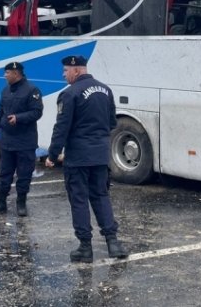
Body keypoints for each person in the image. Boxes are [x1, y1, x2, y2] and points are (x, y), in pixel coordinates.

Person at [45, 55, 128, 262]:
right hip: (100, 156)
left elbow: (61, 127)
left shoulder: (70, 94)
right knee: (101, 196)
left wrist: (53, 155)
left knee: (79, 200)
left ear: (76, 70)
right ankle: (113, 243)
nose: (64, 75)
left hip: (78, 157)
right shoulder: (105, 90)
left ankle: (85, 247)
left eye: (65, 71)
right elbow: (111, 123)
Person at [0, 61, 44, 217]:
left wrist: (19, 118)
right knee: (4, 174)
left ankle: (21, 203)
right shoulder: (5, 91)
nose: (5, 75)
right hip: (7, 141)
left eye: (7, 73)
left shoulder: (32, 90)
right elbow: (0, 112)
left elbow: (37, 112)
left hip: (25, 141)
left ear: (16, 74)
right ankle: (0, 204)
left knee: (24, 175)